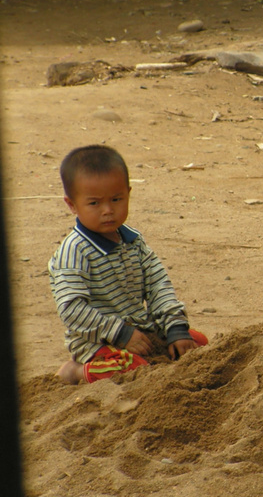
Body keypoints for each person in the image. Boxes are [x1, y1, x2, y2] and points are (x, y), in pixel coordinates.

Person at [49, 145, 206, 385]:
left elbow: (158, 286)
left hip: (141, 332)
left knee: (196, 343)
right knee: (131, 369)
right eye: (94, 203)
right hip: (98, 340)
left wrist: (175, 327)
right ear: (72, 205)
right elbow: (71, 309)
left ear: (128, 194)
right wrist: (120, 333)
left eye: (116, 199)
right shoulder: (74, 252)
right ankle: (76, 371)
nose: (108, 210)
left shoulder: (133, 241)